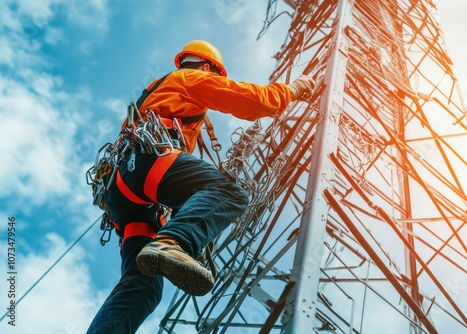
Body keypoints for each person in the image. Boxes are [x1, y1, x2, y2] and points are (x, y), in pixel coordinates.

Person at [86, 39, 316, 333]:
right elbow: (253, 101)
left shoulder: (158, 94)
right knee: (228, 194)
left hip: (123, 192)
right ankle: (173, 242)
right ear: (208, 68)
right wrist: (294, 89)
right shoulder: (190, 78)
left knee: (142, 288)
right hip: (147, 166)